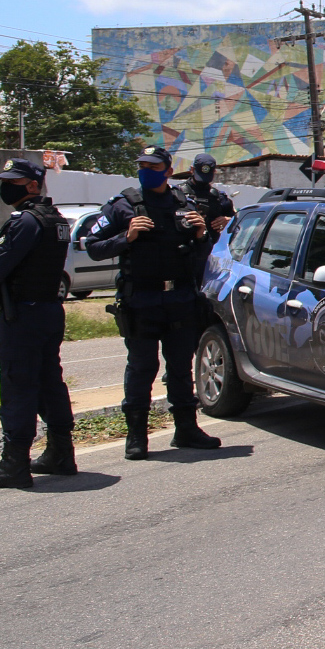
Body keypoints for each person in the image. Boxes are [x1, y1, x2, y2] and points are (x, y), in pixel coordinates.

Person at [86, 146, 222, 459]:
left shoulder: (184, 204)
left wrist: (202, 234)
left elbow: (204, 255)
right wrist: (126, 238)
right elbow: (93, 247)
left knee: (180, 367)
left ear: (168, 171)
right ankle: (136, 436)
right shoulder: (123, 207)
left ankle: (186, 429)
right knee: (141, 368)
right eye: (142, 165)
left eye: (153, 165)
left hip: (179, 299)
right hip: (142, 301)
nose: (146, 169)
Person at [0, 159, 79, 488]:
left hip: (24, 315)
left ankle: (14, 463)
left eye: (14, 181)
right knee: (48, 382)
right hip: (48, 310)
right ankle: (61, 453)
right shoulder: (55, 220)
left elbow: (0, 262)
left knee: (18, 384)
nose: (7, 186)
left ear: (32, 185)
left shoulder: (26, 221)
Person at [181, 153, 235, 264]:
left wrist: (228, 221)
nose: (203, 181)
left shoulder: (218, 197)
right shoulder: (177, 194)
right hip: (182, 256)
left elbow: (238, 221)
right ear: (192, 170)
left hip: (210, 256)